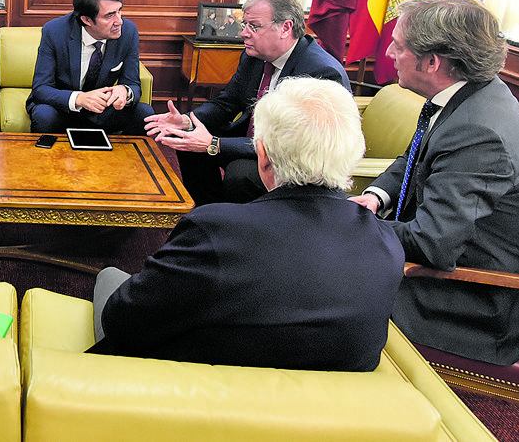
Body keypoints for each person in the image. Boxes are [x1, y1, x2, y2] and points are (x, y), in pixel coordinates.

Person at [90, 77, 404, 371]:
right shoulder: (387, 244)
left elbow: (123, 321)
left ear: (262, 155)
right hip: (331, 415)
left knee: (109, 278)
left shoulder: (214, 230)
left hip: (190, 396)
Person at [350, 0, 519, 366]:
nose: (388, 56)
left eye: (398, 47)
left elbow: (433, 245)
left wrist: (352, 224)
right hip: (466, 259)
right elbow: (415, 158)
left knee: (328, 281)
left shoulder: (480, 133)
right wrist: (377, 197)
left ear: (432, 62)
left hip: (483, 302)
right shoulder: (471, 95)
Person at [145, 0, 349, 205]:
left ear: (285, 28)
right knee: (187, 138)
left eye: (254, 26)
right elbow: (228, 101)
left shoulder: (320, 72)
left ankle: (240, 230)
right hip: (255, 141)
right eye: (245, 25)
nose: (243, 33)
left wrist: (214, 143)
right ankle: (210, 215)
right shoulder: (254, 56)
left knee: (240, 174)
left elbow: (291, 145)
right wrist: (187, 120)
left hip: (294, 159)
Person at [27, 0, 153, 135]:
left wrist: (125, 91)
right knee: (44, 115)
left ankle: (126, 159)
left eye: (119, 11)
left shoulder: (128, 32)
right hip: (65, 108)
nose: (119, 21)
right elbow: (41, 89)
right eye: (109, 15)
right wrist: (80, 99)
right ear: (86, 20)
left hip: (102, 110)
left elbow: (133, 84)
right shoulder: (54, 31)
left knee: (144, 113)